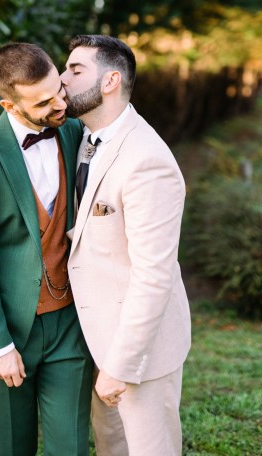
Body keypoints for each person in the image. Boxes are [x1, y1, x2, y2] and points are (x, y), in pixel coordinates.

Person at [0, 42, 93, 456]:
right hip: (9, 329)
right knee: (13, 447)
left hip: (70, 323)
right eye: (44, 102)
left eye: (58, 90)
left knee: (71, 448)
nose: (59, 104)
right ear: (9, 105)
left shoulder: (74, 132)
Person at [60, 34, 191, 456]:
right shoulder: (86, 138)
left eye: (75, 70)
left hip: (140, 351)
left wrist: (121, 365)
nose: (61, 79)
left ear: (111, 80)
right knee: (111, 447)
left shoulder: (146, 160)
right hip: (97, 335)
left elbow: (154, 275)